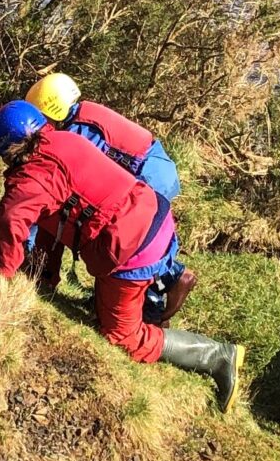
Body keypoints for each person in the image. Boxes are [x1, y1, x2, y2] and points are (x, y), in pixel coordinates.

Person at [0, 98, 243, 410]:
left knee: (122, 337)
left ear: (9, 150)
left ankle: (217, 356)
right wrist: (43, 275)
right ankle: (138, 309)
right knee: (112, 296)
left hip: (132, 247)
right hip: (154, 217)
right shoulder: (65, 139)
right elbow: (53, 219)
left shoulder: (34, 178)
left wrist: (1, 278)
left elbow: (10, 223)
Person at [24, 71, 193, 320]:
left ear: (51, 110)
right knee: (136, 240)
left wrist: (28, 239)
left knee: (133, 242)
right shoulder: (84, 113)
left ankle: (161, 295)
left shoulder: (78, 131)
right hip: (156, 168)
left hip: (149, 176)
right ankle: (153, 292)